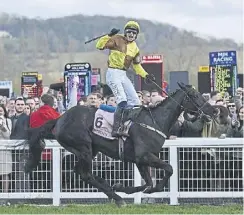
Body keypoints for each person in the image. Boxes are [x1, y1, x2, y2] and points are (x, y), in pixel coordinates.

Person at [96, 21, 155, 137]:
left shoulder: (135, 48)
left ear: (137, 35)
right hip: (113, 73)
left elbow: (137, 66)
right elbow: (99, 46)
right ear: (125, 32)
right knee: (122, 100)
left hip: (123, 75)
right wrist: (108, 36)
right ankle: (116, 128)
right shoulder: (116, 39)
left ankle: (128, 125)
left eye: (134, 33)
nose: (131, 34)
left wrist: (146, 75)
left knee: (136, 103)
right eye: (129, 32)